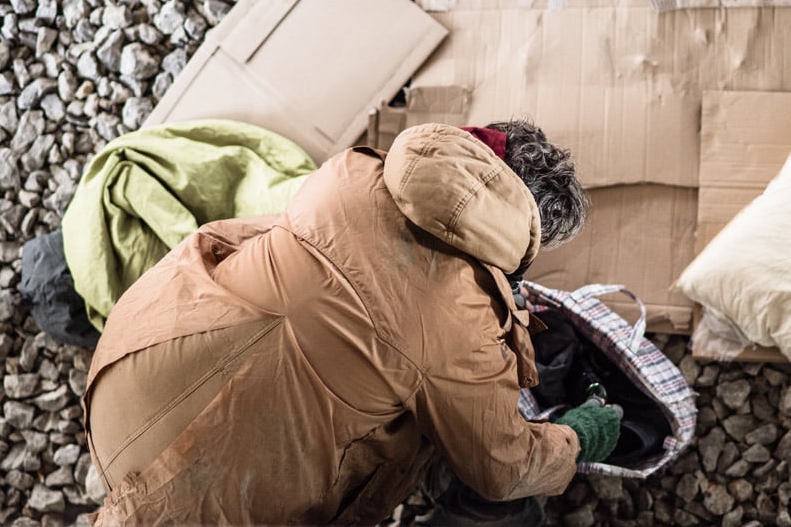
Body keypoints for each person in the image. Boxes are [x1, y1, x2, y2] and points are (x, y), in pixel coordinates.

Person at [82, 120, 621, 525]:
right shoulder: (464, 326)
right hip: (200, 490)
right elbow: (502, 467)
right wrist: (577, 439)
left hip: (127, 375)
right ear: (530, 234)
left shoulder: (353, 171)